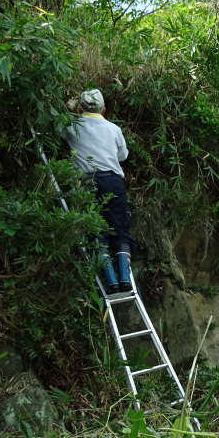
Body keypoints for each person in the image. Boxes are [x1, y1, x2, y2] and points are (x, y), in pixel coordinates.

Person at [61, 89, 135, 293]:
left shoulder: (72, 126)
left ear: (81, 108)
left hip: (86, 182)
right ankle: (125, 279)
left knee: (96, 230)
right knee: (119, 227)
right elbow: (122, 156)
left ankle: (110, 281)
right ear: (103, 109)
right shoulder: (113, 129)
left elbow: (59, 127)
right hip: (112, 181)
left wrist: (70, 106)